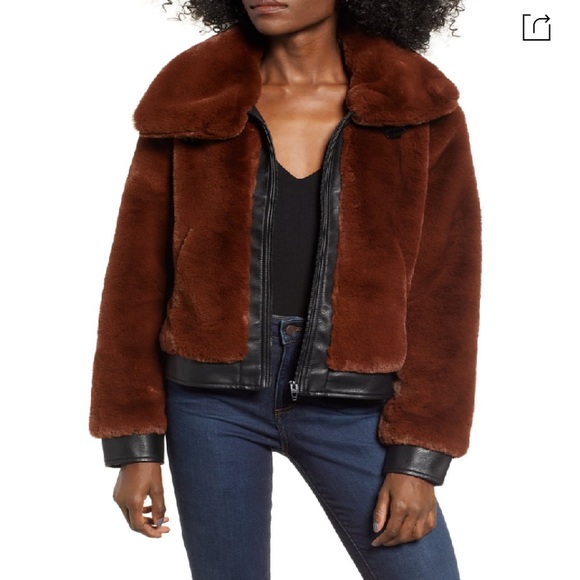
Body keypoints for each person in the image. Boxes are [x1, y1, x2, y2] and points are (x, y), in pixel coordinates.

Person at [89, 1, 481, 578]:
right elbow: (135, 276)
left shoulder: (417, 106)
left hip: (356, 404)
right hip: (209, 401)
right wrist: (135, 443)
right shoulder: (194, 97)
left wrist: (420, 459)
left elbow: (446, 292)